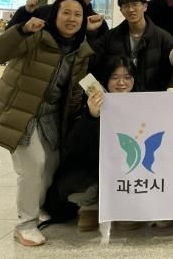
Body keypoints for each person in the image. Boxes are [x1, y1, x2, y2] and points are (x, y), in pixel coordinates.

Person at [0, 0, 93, 246]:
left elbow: (74, 91)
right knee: (34, 164)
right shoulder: (35, 37)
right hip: (21, 112)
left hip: (50, 116)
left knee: (51, 165)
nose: (72, 19)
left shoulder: (80, 51)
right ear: (54, 15)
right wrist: (21, 30)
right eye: (66, 12)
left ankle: (39, 207)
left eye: (78, 14)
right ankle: (25, 224)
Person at [43, 56, 136, 232]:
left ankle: (124, 206)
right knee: (86, 182)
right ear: (105, 80)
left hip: (128, 169)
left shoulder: (142, 105)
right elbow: (75, 146)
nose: (121, 82)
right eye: (115, 77)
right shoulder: (92, 104)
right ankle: (90, 206)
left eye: (127, 77)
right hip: (92, 171)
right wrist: (92, 116)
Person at [91, 0, 173, 91]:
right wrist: (90, 33)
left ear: (145, 6)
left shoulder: (164, 38)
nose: (131, 9)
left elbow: (170, 73)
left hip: (151, 97)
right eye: (126, 6)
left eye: (135, 4)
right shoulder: (110, 37)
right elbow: (92, 62)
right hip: (119, 95)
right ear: (121, 10)